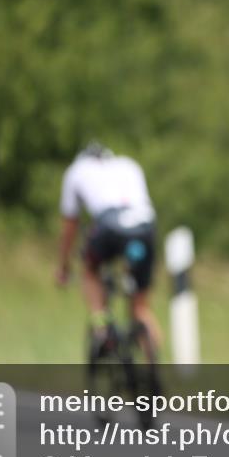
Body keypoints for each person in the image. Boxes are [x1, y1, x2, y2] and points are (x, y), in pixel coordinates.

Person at [56, 141, 162, 362]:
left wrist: (63, 266)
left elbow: (70, 226)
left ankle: (101, 325)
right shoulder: (129, 164)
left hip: (108, 227)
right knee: (141, 308)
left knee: (90, 271)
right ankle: (154, 369)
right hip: (144, 227)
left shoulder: (75, 171)